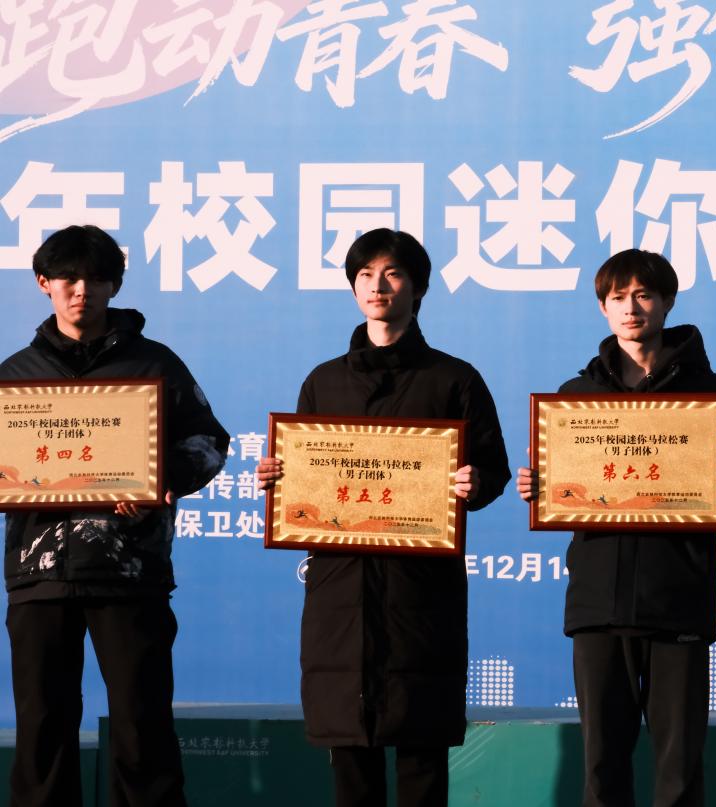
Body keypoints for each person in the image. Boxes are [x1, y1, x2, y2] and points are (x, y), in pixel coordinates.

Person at [256, 229, 509, 807]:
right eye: (365, 274)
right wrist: (278, 478)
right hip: (339, 589)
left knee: (421, 755)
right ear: (353, 287)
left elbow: (492, 469)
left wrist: (475, 483)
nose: (378, 285)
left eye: (392, 273)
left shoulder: (454, 379)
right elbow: (305, 477)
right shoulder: (324, 381)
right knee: (350, 756)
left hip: (420, 589)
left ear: (418, 288)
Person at [516, 248, 716, 807]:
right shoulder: (575, 399)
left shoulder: (713, 394)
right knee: (602, 768)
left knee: (679, 770)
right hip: (597, 605)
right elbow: (563, 494)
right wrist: (541, 491)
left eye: (644, 295)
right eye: (618, 297)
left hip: (678, 602)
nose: (631, 308)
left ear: (667, 302)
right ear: (602, 307)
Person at [0, 224, 229, 807]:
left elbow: (209, 440)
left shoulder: (154, 364)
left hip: (131, 571)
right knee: (42, 728)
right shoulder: (15, 376)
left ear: (114, 286)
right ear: (43, 283)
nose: (82, 290)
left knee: (141, 726)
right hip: (39, 576)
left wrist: (161, 481)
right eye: (68, 278)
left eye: (97, 279)